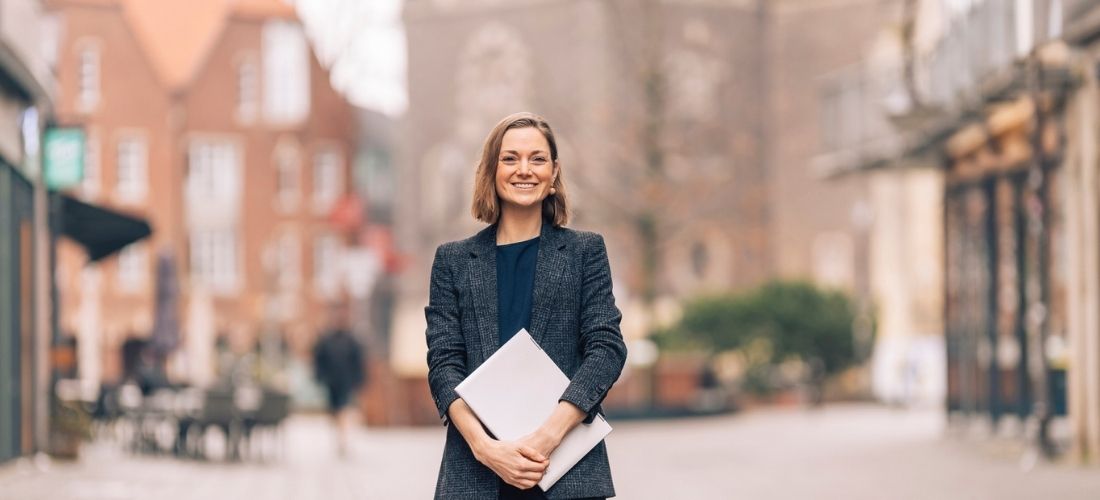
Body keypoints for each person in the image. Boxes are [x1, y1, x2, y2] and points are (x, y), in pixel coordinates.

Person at [425, 112, 627, 499]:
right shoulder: (452, 261)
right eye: (510, 158)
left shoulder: (585, 252)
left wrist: (547, 436)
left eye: (537, 159)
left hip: (568, 471)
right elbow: (444, 364)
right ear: (491, 171)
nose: (525, 170)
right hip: (476, 472)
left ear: (554, 173)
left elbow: (606, 348)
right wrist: (486, 449)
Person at [313, 307, 367, 458]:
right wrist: (321, 377)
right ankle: (339, 437)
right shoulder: (326, 339)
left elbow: (358, 362)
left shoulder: (351, 340)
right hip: (331, 382)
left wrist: (358, 380)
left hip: (346, 382)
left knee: (343, 410)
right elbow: (319, 360)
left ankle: (342, 440)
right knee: (334, 412)